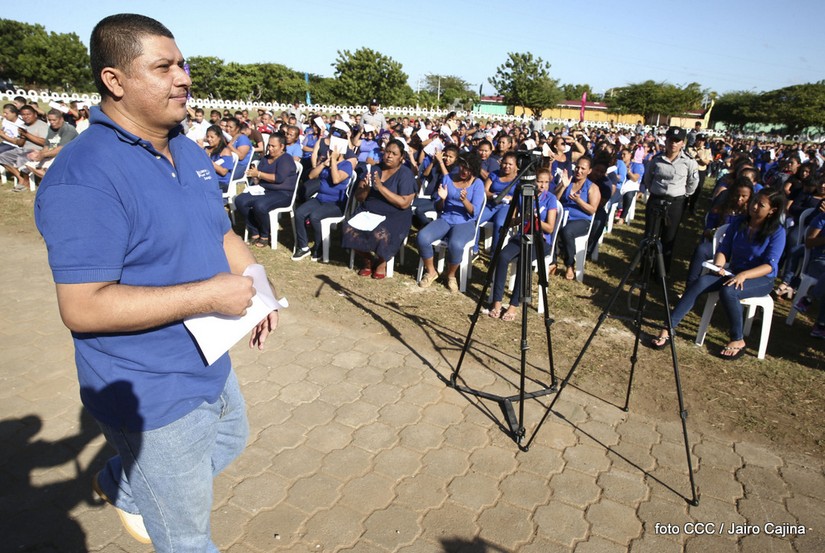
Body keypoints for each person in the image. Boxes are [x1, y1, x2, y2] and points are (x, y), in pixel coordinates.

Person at [33, 14, 280, 551]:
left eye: (183, 63)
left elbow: (220, 234)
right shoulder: (84, 176)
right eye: (164, 67)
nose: (183, 77)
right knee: (187, 537)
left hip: (209, 355)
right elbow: (83, 307)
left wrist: (255, 281)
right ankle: (146, 486)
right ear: (114, 80)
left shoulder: (187, 149)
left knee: (232, 435)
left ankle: (126, 482)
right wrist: (210, 294)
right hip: (148, 384)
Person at [649, 189, 786, 360]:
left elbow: (769, 266)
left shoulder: (777, 232)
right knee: (700, 283)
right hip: (733, 272)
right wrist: (719, 266)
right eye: (755, 201)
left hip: (760, 278)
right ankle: (669, 327)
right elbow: (724, 249)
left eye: (761, 205)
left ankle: (737, 339)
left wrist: (743, 275)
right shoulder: (739, 223)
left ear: (772, 210)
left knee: (729, 291)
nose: (754, 206)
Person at [488, 167, 558, 321]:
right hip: (522, 236)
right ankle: (497, 301)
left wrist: (535, 218)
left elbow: (550, 228)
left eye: (546, 182)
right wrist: (522, 218)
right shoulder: (522, 196)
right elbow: (512, 221)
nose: (542, 185)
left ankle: (514, 305)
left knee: (523, 261)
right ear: (533, 181)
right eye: (539, 181)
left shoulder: (550, 198)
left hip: (540, 240)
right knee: (503, 256)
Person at [342, 139, 417, 278]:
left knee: (380, 233)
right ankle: (368, 259)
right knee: (348, 228)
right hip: (369, 210)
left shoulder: (405, 174)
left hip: (395, 214)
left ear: (401, 158)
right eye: (387, 152)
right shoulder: (374, 169)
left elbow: (404, 203)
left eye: (394, 153)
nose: (389, 156)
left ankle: (382, 261)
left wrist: (381, 188)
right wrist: (366, 189)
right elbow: (359, 197)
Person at [417, 152, 485, 292]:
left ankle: (451, 275)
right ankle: (431, 271)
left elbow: (474, 212)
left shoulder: (477, 184)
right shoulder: (447, 178)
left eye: (468, 169)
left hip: (465, 222)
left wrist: (464, 201)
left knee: (456, 244)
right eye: (462, 167)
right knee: (422, 237)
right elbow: (438, 207)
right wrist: (442, 199)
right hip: (446, 218)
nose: (463, 171)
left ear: (474, 170)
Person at [642, 126, 699, 274]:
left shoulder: (689, 162)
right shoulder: (657, 159)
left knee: (669, 238)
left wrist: (680, 194)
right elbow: (648, 179)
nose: (673, 144)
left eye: (677, 141)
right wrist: (656, 191)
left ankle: (661, 272)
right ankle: (645, 269)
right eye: (670, 140)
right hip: (656, 200)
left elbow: (692, 184)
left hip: (675, 203)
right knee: (650, 236)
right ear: (666, 141)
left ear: (682, 143)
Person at [234, 133, 299, 247]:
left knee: (260, 205)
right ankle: (254, 231)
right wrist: (255, 176)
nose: (270, 148)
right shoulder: (265, 158)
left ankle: (265, 234)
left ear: (282, 146)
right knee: (240, 200)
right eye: (269, 145)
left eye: (273, 146)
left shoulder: (286, 159)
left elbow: (278, 178)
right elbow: (260, 177)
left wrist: (259, 174)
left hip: (283, 193)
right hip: (264, 190)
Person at [554, 156, 600, 280]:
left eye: (583, 169)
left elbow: (592, 209)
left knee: (567, 231)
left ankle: (570, 264)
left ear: (589, 171)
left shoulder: (592, 188)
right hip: (563, 217)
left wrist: (579, 201)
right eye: (577, 167)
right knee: (548, 227)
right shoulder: (568, 181)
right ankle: (552, 261)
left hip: (581, 220)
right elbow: (554, 201)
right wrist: (563, 186)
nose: (579, 171)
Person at [203, 124, 233, 193]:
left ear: (219, 137)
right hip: (206, 179)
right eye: (207, 137)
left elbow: (223, 172)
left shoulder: (225, 151)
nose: (209, 139)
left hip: (220, 182)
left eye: (212, 137)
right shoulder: (205, 149)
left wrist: (208, 160)